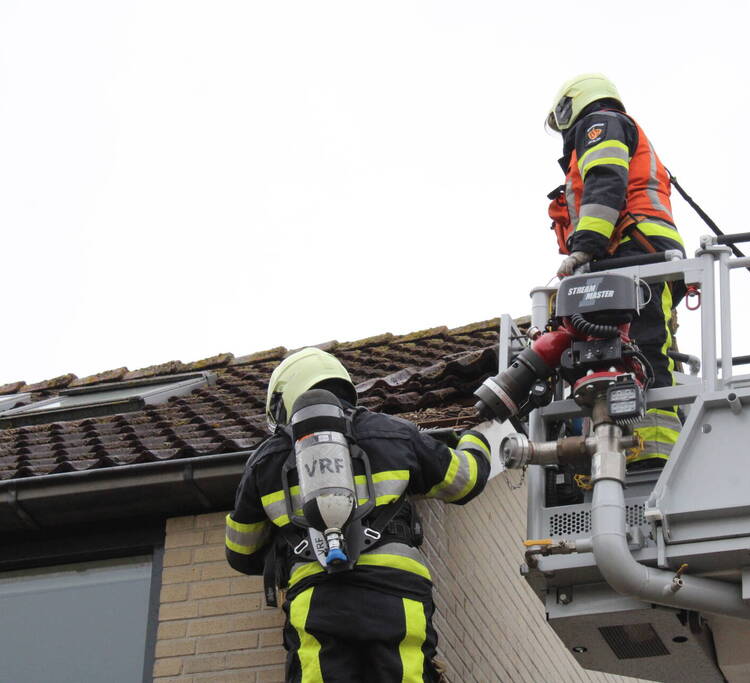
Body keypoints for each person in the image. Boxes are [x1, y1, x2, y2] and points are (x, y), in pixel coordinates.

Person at [225, 347, 502, 682]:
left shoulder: (265, 460)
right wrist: (475, 440)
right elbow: (465, 482)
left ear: (285, 399)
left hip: (317, 599)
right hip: (396, 594)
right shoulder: (393, 432)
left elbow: (241, 552)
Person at [547, 73, 684, 468]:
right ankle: (628, 440)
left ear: (570, 106)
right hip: (638, 254)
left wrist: (585, 246)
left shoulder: (600, 123)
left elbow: (606, 180)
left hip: (634, 252)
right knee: (627, 351)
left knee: (644, 348)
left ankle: (651, 449)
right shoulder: (616, 126)